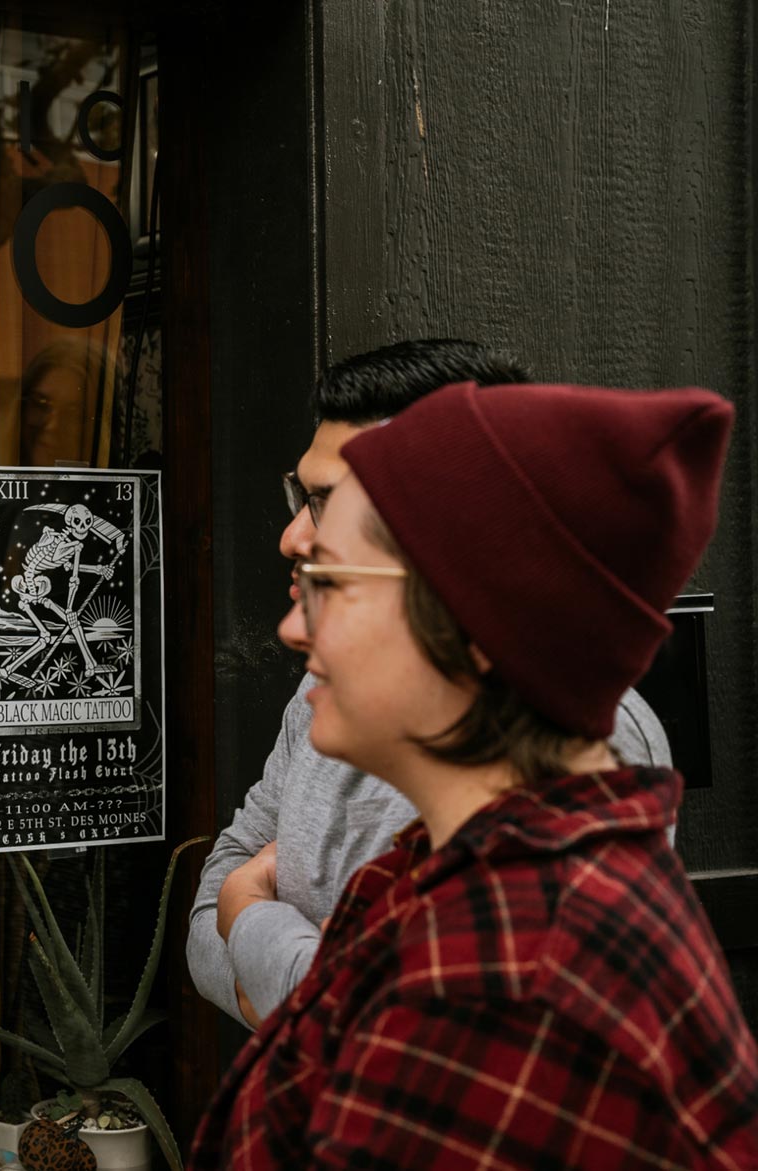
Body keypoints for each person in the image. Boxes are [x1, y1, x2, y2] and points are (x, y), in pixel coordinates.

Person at [189, 381, 758, 1167]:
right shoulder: (428, 873)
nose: (293, 625)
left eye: (336, 586)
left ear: (481, 620)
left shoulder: (505, 985)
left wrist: (247, 913)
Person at [186, 340, 670, 1028]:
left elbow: (434, 1032)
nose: (293, 536)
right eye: (301, 494)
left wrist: (253, 916)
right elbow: (218, 890)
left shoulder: (582, 731)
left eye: (326, 502)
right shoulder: (325, 688)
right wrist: (276, 974)